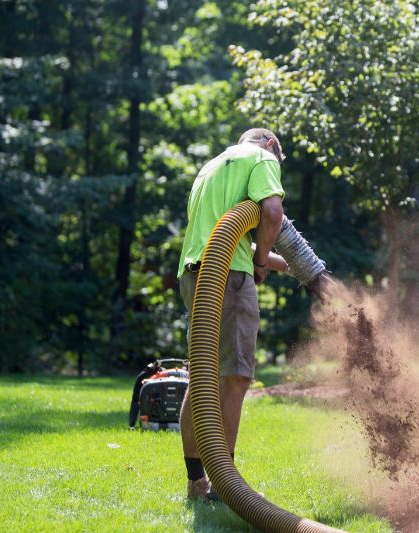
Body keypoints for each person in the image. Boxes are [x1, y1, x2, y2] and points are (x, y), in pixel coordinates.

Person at [176, 128, 289, 501]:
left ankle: (197, 481)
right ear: (270, 145)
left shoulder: (210, 168)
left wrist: (270, 259)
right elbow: (271, 212)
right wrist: (259, 262)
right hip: (229, 276)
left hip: (194, 274)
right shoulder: (261, 158)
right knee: (235, 377)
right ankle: (226, 486)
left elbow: (224, 230)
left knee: (203, 378)